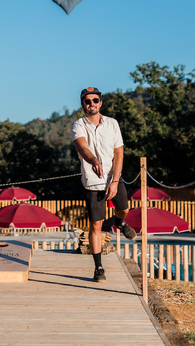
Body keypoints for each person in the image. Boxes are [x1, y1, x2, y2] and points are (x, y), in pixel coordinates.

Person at [71, 87, 136, 283]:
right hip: (92, 181)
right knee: (96, 225)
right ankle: (98, 267)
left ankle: (119, 222)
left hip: (113, 177)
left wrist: (115, 180)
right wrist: (94, 161)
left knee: (124, 210)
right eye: (87, 101)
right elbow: (82, 146)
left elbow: (119, 153)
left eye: (95, 100)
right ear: (83, 104)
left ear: (101, 102)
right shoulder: (78, 125)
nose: (91, 104)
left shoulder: (112, 123)